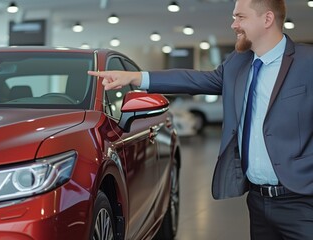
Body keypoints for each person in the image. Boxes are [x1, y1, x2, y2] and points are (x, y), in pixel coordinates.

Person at [89, 0, 313, 239]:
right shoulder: (238, 63)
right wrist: (135, 78)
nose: (233, 24)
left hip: (302, 201)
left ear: (267, 19)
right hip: (258, 201)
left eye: (240, 17)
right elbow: (194, 80)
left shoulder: (307, 63)